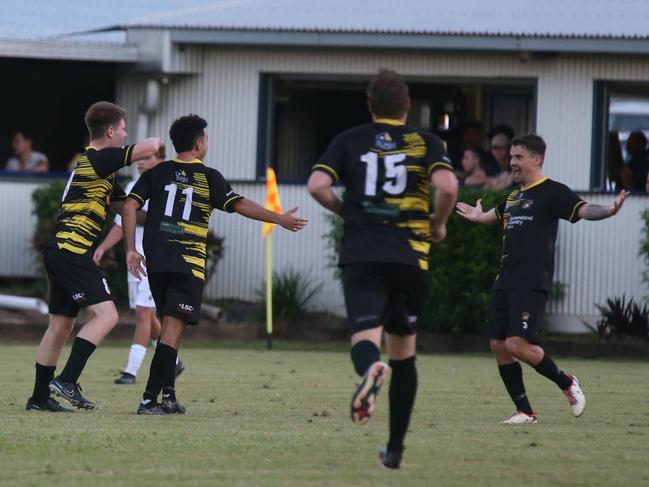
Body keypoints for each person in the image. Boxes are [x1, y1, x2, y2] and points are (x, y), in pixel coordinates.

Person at [307, 69, 458, 469]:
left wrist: (347, 211)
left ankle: (370, 369)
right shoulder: (427, 142)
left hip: (363, 252)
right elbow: (447, 188)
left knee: (365, 336)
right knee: (404, 353)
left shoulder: (350, 139)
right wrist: (438, 224)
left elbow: (316, 185)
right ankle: (394, 450)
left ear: (370, 107)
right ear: (407, 106)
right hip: (409, 254)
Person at [121, 114, 307, 415]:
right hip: (186, 262)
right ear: (198, 143)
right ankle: (148, 401)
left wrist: (131, 249)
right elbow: (240, 204)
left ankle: (167, 396)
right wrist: (280, 219)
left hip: (156, 260)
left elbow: (129, 205)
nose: (207, 142)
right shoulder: (209, 177)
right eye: (206, 138)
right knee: (170, 329)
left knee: (171, 327)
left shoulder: (158, 172)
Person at [456, 133, 630, 424]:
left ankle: (567, 383)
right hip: (505, 280)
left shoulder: (553, 192)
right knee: (498, 345)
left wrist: (609, 210)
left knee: (516, 344)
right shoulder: (514, 195)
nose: (512, 162)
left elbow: (584, 209)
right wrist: (478, 215)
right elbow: (495, 215)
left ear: (536, 159)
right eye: (511, 157)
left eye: (518, 157)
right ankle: (525, 411)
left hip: (531, 280)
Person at [26, 101, 161, 412]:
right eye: (124, 129)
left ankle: (39, 398)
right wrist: (168, 157)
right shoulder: (100, 160)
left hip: (61, 251)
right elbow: (152, 146)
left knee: (60, 326)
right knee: (108, 315)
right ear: (111, 131)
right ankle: (67, 380)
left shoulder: (101, 170)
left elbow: (127, 208)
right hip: (72, 252)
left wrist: (134, 244)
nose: (126, 134)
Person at [93, 145, 185, 385]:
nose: (141, 162)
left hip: (157, 259)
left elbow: (177, 226)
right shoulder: (135, 187)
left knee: (144, 313)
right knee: (144, 314)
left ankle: (131, 372)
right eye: (140, 158)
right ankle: (173, 362)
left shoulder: (169, 187)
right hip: (134, 257)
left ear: (161, 159)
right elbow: (122, 223)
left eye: (149, 157)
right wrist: (103, 247)